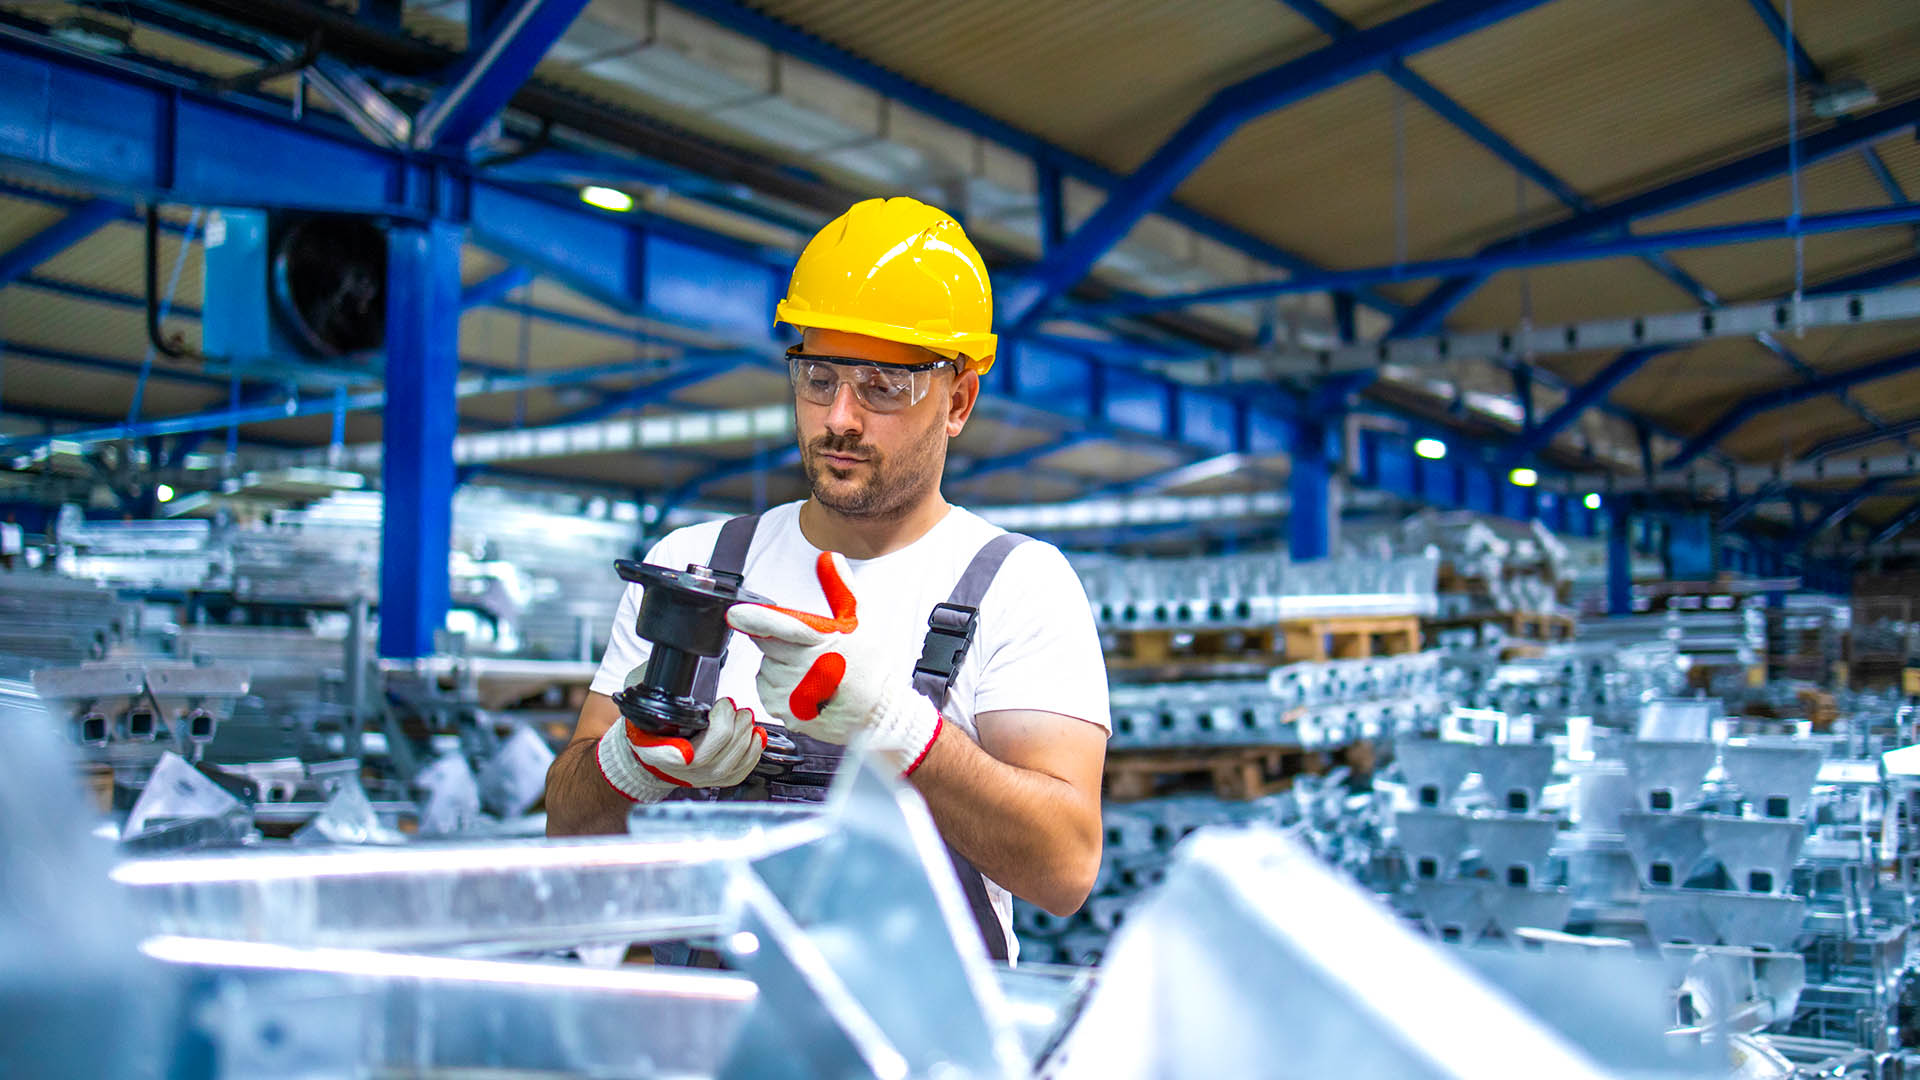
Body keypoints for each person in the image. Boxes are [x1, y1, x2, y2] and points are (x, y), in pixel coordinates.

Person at [544, 196, 1109, 961]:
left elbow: (1064, 869)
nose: (840, 416)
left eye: (882, 385)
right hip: (700, 1033)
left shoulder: (1018, 586)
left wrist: (902, 731)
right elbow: (569, 833)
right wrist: (630, 763)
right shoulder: (697, 566)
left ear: (960, 400)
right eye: (819, 376)